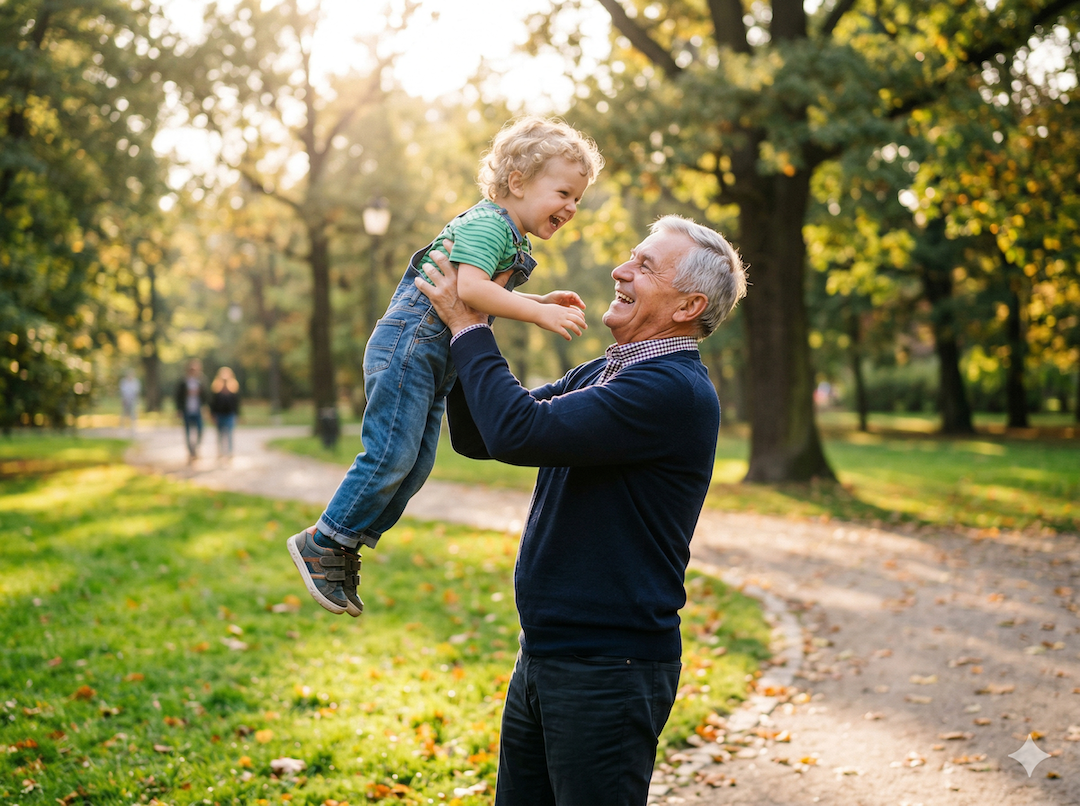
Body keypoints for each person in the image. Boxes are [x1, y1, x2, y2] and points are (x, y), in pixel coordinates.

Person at [417, 214, 747, 806]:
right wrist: (471, 325)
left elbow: (520, 432)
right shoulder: (605, 371)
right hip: (546, 652)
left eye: (646, 266)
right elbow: (484, 437)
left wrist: (471, 328)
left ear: (687, 304)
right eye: (631, 256)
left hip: (609, 668)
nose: (621, 270)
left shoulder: (671, 390)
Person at [287, 116, 604, 618]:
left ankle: (344, 548)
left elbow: (482, 295)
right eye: (563, 192)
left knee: (415, 466)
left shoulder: (511, 236)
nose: (570, 207)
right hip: (410, 349)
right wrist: (539, 312)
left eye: (577, 200)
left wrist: (538, 296)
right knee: (391, 455)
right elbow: (471, 292)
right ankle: (324, 541)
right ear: (517, 182)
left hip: (435, 361)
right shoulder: (488, 224)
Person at [174, 359, 207, 463]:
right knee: (188, 432)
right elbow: (178, 396)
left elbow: (206, 395)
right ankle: (191, 452)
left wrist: (205, 406)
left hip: (198, 410)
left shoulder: (202, 381)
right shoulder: (183, 381)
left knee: (200, 431)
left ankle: (195, 449)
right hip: (186, 410)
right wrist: (179, 409)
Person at [209, 366, 241, 461]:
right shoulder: (216, 390)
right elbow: (212, 404)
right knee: (220, 435)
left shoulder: (233, 390)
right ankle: (220, 452)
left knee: (230, 434)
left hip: (230, 415)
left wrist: (237, 415)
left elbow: (236, 404)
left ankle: (230, 452)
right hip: (219, 415)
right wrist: (212, 415)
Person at [119, 370, 141, 434]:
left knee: (133, 413)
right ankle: (122, 426)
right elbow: (122, 392)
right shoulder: (124, 382)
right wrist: (123, 399)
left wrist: (137, 400)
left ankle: (133, 427)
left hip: (133, 399)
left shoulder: (136, 382)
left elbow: (137, 392)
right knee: (124, 413)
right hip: (126, 399)